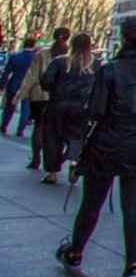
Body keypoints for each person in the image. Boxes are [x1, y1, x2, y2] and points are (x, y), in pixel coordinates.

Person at [53, 16, 136, 277]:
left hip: (107, 142)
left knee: (92, 202)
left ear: (124, 37)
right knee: (134, 205)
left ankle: (76, 251)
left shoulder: (110, 69)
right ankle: (133, 264)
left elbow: (96, 110)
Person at [40, 34, 97, 184]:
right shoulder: (95, 64)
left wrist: (55, 90)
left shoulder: (60, 62)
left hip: (57, 106)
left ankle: (52, 173)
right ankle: (75, 162)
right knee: (76, 137)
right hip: (82, 109)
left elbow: (46, 82)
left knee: (53, 139)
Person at [18, 27, 68, 170]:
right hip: (60, 98)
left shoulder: (42, 54)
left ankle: (36, 158)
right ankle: (55, 161)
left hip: (40, 96)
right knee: (58, 131)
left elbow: (32, 76)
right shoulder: (71, 56)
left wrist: (22, 94)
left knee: (39, 127)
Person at [0, 37, 37, 136]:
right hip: (29, 86)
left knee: (9, 107)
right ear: (34, 45)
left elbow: (6, 73)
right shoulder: (36, 58)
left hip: (14, 84)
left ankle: (4, 126)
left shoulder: (15, 56)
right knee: (26, 108)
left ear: (24, 44)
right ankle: (20, 130)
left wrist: (2, 85)